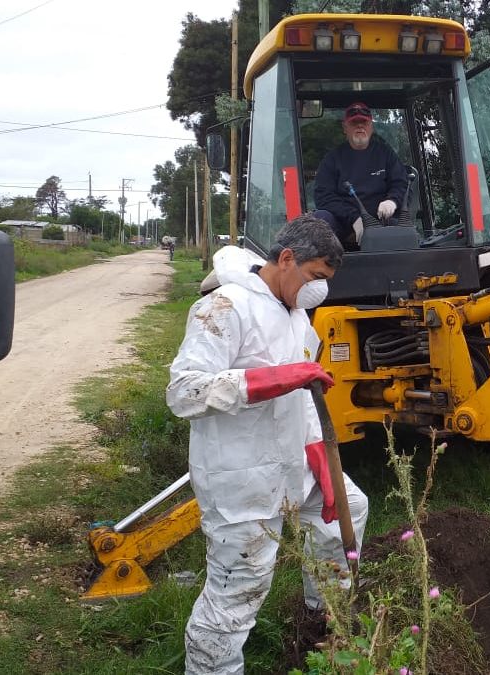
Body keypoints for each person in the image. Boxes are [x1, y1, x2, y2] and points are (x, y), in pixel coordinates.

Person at [166, 214, 369, 675]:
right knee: (240, 587)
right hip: (242, 479)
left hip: (291, 465)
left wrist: (320, 460)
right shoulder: (222, 307)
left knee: (349, 509)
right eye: (316, 276)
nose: (320, 290)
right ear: (285, 259)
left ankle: (322, 617)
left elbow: (307, 400)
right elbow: (184, 392)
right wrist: (274, 379)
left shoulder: (300, 320)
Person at [313, 102, 408, 248]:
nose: (359, 126)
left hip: (381, 221)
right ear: (345, 128)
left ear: (371, 127)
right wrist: (354, 218)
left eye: (364, 122)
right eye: (354, 123)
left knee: (402, 230)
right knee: (321, 221)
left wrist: (392, 201)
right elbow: (323, 197)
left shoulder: (385, 154)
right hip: (344, 224)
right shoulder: (332, 159)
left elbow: (401, 183)